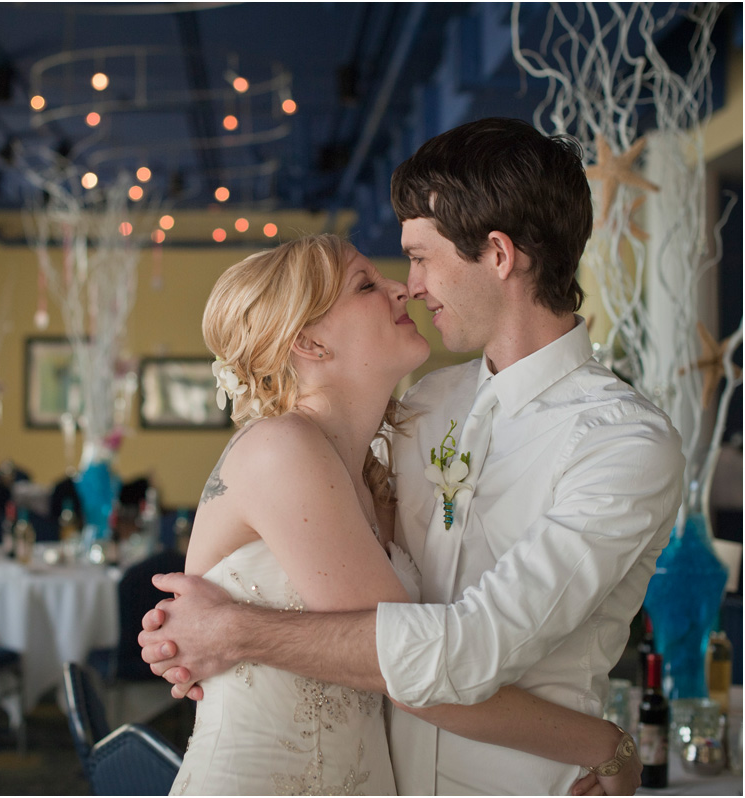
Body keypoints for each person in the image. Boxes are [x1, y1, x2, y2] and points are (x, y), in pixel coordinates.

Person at [141, 118, 684, 795]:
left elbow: (468, 648)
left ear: (497, 254)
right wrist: (192, 633)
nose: (410, 285)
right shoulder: (421, 405)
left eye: (420, 257)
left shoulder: (622, 443)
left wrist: (237, 630)